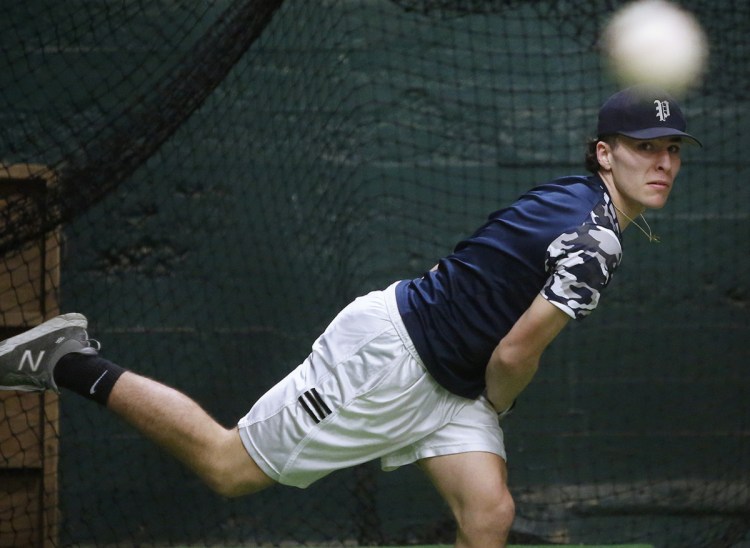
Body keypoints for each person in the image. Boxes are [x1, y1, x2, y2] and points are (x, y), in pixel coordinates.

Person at [0, 85, 700, 547]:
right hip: (394, 362)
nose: (662, 162)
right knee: (227, 466)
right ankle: (67, 361)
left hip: (450, 380)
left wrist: (481, 394)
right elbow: (515, 357)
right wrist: (499, 402)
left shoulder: (579, 202)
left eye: (671, 150)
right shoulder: (595, 236)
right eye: (645, 148)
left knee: (488, 516)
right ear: (605, 154)